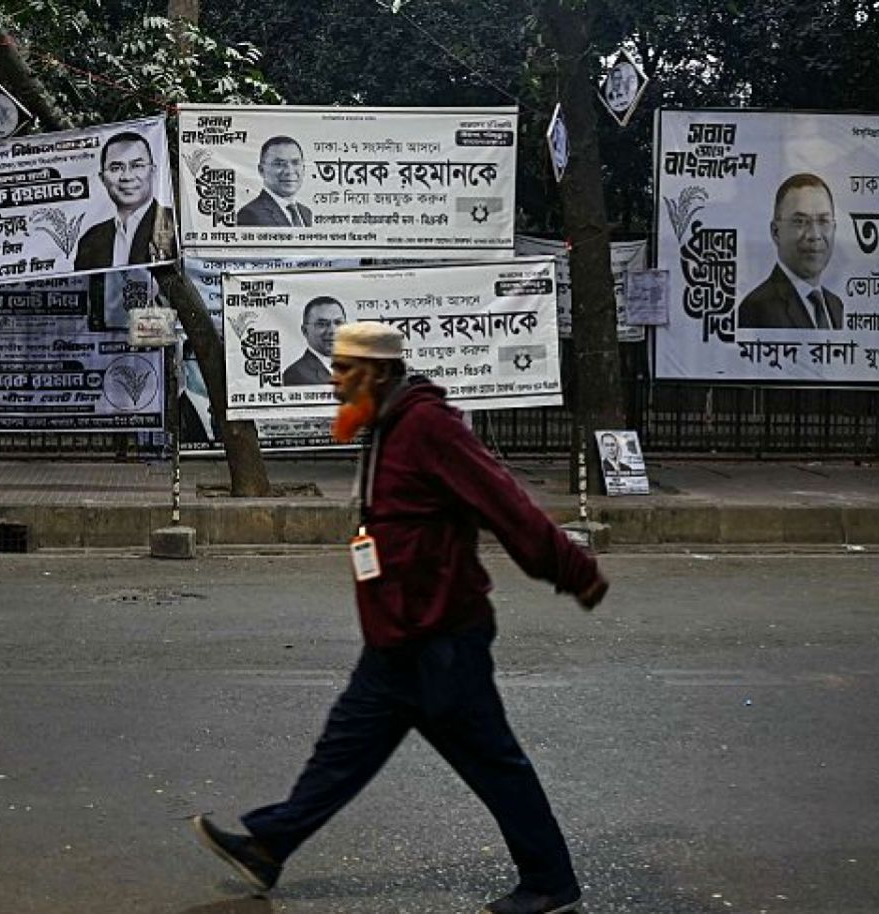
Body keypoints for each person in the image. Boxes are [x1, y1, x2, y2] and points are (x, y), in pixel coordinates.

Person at [189, 321, 608, 914]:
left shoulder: (429, 428)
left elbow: (505, 504)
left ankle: (550, 882)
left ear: (379, 373)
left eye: (344, 370)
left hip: (441, 638)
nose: (333, 382)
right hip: (395, 640)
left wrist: (574, 571)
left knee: (493, 761)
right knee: (341, 752)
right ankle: (268, 846)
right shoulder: (383, 427)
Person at [739, 173, 844, 330]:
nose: (814, 235)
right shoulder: (757, 308)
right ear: (776, 232)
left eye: (823, 221)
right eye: (799, 222)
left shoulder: (835, 306)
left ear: (834, 228)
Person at [73, 131, 176, 270]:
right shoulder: (90, 240)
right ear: (102, 178)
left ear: (153, 171)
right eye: (116, 168)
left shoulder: (175, 224)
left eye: (137, 166)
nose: (127, 177)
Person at [235, 136, 312, 228]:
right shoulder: (250, 214)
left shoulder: (306, 213)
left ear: (304, 168)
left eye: (295, 163)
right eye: (279, 164)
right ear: (261, 170)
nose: (289, 171)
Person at [282, 297, 346, 386]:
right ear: (305, 331)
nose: (332, 330)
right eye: (322, 324)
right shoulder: (296, 374)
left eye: (338, 323)